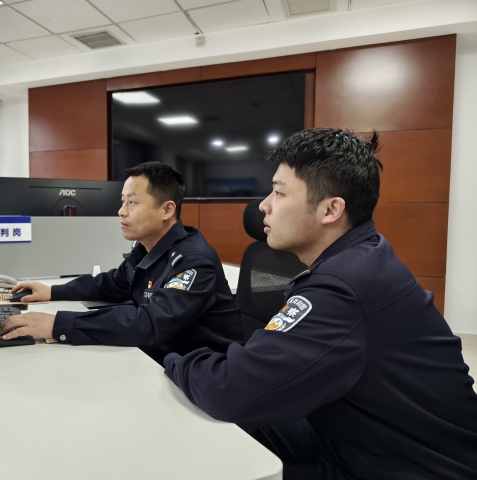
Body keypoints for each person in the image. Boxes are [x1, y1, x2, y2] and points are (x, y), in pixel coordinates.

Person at [163, 128, 477, 479]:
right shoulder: (364, 256)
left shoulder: (343, 287)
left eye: (279, 192)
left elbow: (229, 391)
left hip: (403, 467)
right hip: (358, 436)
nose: (264, 205)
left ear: (331, 210)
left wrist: (171, 360)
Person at [0, 161, 243, 363]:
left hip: (199, 370)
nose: (121, 211)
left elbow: (149, 324)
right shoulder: (148, 248)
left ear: (167, 210)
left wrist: (57, 324)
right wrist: (52, 291)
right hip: (160, 356)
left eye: (132, 202)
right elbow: (113, 283)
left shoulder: (193, 262)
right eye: (122, 201)